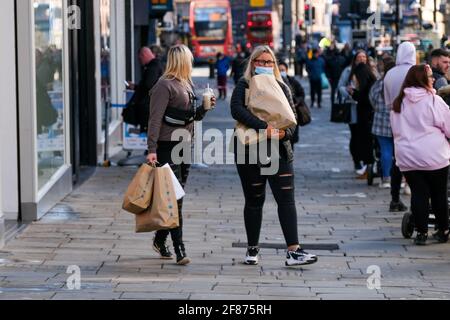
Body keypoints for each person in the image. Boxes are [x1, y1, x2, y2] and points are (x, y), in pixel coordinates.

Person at [230, 45, 318, 267]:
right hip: (250, 151)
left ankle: (293, 251)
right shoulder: (245, 84)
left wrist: (282, 132)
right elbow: (236, 110)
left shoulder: (282, 86)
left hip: (279, 151)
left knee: (286, 199)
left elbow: (292, 117)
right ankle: (252, 249)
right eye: (260, 62)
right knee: (254, 200)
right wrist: (263, 127)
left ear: (275, 65)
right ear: (252, 64)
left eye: (269, 62)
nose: (265, 66)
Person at [146, 45, 216, 265]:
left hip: (184, 147)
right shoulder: (164, 85)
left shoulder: (186, 84)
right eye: (190, 60)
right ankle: (180, 249)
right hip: (167, 147)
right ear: (182, 61)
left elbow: (192, 118)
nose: (192, 63)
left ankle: (160, 238)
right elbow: (155, 119)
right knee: (175, 200)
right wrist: (151, 149)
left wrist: (205, 108)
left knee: (176, 196)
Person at [391, 64, 450, 245]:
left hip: (408, 157)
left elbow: (395, 130)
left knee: (419, 194)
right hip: (434, 156)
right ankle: (443, 229)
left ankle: (421, 232)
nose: (433, 79)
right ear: (422, 80)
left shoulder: (398, 102)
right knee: (439, 194)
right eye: (430, 76)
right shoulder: (434, 101)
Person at [384, 41, 417, 212]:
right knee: (417, 159)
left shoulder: (390, 73)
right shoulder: (416, 71)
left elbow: (387, 101)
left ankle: (394, 197)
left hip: (395, 118)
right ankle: (412, 189)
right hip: (416, 120)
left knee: (398, 158)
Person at [338, 50, 370, 174]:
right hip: (352, 107)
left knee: (365, 136)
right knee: (355, 135)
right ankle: (357, 160)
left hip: (366, 108)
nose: (362, 59)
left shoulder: (370, 70)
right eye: (359, 57)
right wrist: (348, 92)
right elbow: (340, 86)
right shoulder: (348, 71)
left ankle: (366, 161)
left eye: (364, 57)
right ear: (355, 59)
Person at [125, 47, 164, 132]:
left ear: (144, 55)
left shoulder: (153, 67)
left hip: (149, 107)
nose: (140, 61)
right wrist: (135, 87)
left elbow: (148, 85)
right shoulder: (155, 65)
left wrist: (136, 87)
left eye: (140, 58)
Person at [348, 63, 377, 178]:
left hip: (367, 118)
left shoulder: (368, 85)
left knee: (367, 144)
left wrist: (354, 93)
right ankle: (367, 168)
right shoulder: (371, 83)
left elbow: (365, 100)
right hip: (366, 117)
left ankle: (368, 168)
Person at [279, 61, 307, 145]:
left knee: (292, 139)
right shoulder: (273, 82)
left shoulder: (292, 81)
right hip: (279, 116)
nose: (281, 72)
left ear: (286, 70)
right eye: (279, 70)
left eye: (283, 70)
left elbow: (301, 93)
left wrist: (296, 102)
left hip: (292, 115)